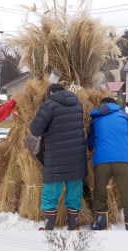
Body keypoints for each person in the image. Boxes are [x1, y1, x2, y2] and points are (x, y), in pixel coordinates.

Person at [29, 83, 88, 230]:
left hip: (56, 159)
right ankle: (73, 226)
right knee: (74, 194)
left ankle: (48, 229)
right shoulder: (78, 103)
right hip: (77, 158)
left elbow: (35, 130)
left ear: (50, 93)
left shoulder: (48, 105)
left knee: (50, 195)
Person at [88, 97, 128, 230]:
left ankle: (102, 226)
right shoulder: (125, 116)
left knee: (99, 194)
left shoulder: (96, 118)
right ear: (114, 105)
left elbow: (90, 143)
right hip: (124, 160)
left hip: (102, 161)